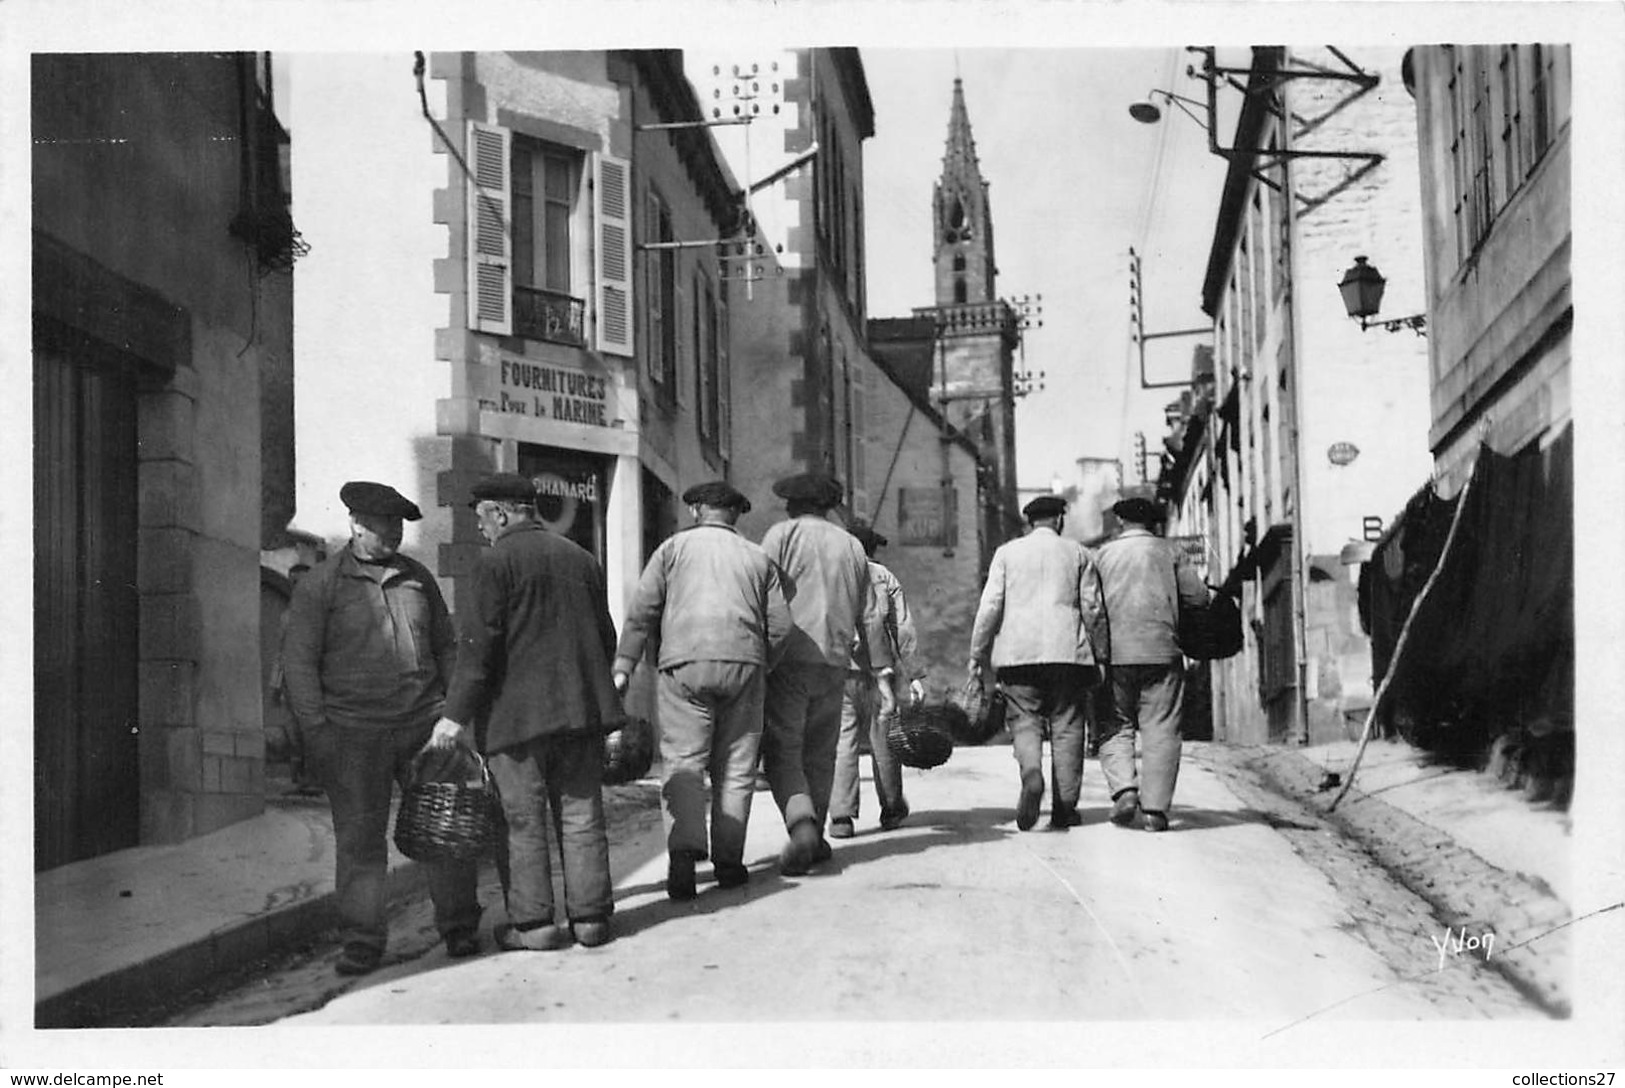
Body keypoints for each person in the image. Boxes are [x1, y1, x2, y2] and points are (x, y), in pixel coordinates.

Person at [281, 482, 481, 975]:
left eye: (398, 524)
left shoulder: (418, 578)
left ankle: (459, 928)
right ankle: (362, 942)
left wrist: (453, 714)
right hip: (353, 733)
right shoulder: (321, 586)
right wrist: (319, 734)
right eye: (383, 524)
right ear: (355, 524)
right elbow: (299, 666)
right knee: (360, 842)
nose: (394, 532)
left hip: (423, 727)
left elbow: (447, 647)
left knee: (444, 830)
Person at [429, 472, 622, 950]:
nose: (481, 529)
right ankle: (591, 918)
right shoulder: (581, 558)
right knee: (582, 815)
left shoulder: (494, 565)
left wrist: (454, 718)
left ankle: (534, 925)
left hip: (516, 720)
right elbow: (606, 638)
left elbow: (477, 651)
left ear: (500, 513)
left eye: (481, 519)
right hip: (581, 714)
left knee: (521, 819)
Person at [611, 481, 792, 900]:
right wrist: (763, 663)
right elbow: (781, 626)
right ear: (735, 515)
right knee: (737, 765)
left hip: (682, 664)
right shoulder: (757, 558)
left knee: (683, 760)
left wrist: (623, 668)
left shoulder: (671, 551)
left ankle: (683, 857)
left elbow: (642, 614)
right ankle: (729, 863)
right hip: (744, 664)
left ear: (696, 511)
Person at [967, 495, 1110, 832]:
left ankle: (1032, 773)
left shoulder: (1006, 553)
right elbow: (1093, 609)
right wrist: (1101, 654)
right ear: (1059, 520)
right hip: (1068, 656)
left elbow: (989, 608)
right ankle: (1064, 808)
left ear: (1029, 522)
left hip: (1018, 657)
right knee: (1068, 727)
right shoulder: (1079, 553)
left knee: (1025, 721)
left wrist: (977, 655)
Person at [758, 472, 871, 875]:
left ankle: (802, 826)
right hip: (837, 659)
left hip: (790, 656)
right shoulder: (853, 545)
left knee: (783, 749)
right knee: (821, 752)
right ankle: (817, 833)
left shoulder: (781, 536)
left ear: (792, 504)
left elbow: (762, 593)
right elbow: (864, 610)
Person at [1093, 496, 1210, 832]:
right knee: (1162, 728)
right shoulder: (1171, 551)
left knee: (1115, 723)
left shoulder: (1103, 555)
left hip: (1115, 655)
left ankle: (1125, 791)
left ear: (1120, 522)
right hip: (1163, 651)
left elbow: (1090, 603)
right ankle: (1156, 811)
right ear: (1152, 522)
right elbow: (1198, 597)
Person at [829, 520, 926, 839]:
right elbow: (904, 629)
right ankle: (892, 807)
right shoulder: (884, 577)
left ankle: (841, 815)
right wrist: (914, 674)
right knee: (884, 739)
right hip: (879, 670)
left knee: (843, 740)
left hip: (839, 670)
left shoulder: (833, 576)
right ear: (871, 549)